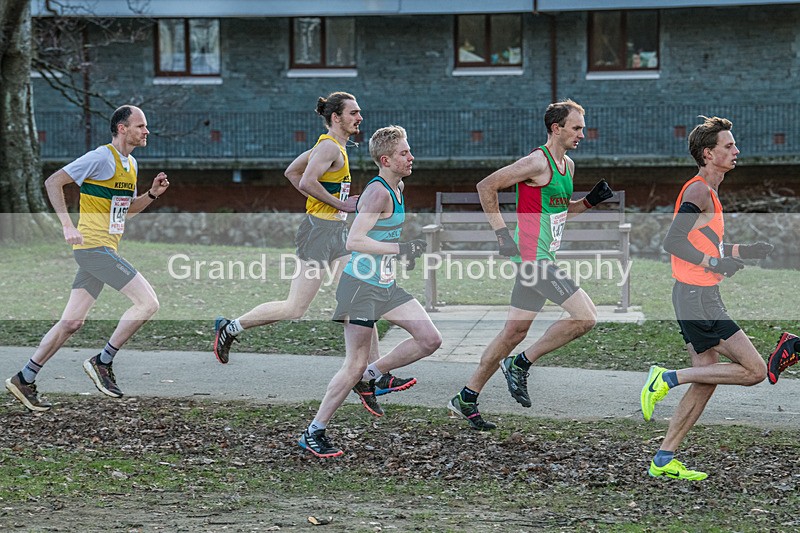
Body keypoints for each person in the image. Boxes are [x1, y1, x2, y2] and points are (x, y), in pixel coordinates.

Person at [212, 92, 414, 398]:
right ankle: (230, 328)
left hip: (336, 233)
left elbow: (292, 172)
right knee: (295, 307)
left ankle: (373, 375)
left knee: (361, 297)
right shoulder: (329, 147)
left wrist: (331, 207)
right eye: (353, 113)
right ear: (336, 117)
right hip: (318, 233)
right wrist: (338, 205)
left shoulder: (333, 147)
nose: (359, 118)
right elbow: (306, 182)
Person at [448, 99, 615, 430]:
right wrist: (501, 235)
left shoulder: (568, 165)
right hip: (532, 262)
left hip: (544, 259)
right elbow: (487, 186)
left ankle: (466, 397)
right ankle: (521, 363)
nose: (582, 133)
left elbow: (560, 210)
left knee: (514, 332)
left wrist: (589, 202)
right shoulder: (536, 162)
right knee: (586, 317)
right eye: (577, 127)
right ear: (557, 128)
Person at [640, 115, 780, 481]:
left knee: (706, 379)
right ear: (708, 153)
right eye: (728, 146)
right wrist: (716, 262)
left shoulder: (710, 193)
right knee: (753, 371)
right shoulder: (698, 190)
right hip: (696, 296)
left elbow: (703, 243)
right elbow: (672, 241)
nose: (736, 150)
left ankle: (663, 458)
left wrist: (742, 250)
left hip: (696, 294)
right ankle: (666, 378)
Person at [4, 105, 169, 411]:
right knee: (148, 303)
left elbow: (126, 211)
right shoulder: (101, 157)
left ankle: (24, 378)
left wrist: (152, 194)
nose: (146, 131)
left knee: (71, 322)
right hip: (94, 249)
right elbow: (53, 182)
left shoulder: (130, 164)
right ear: (122, 128)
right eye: (140, 126)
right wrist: (67, 225)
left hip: (105, 248)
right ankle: (102, 361)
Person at [298, 125, 442, 458]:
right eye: (404, 153)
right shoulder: (377, 193)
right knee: (353, 364)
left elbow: (380, 237)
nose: (411, 157)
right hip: (360, 288)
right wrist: (400, 248)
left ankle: (373, 376)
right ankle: (314, 431)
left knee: (429, 339)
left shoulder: (399, 186)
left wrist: (399, 255)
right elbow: (354, 240)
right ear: (386, 159)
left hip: (383, 285)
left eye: (409, 151)